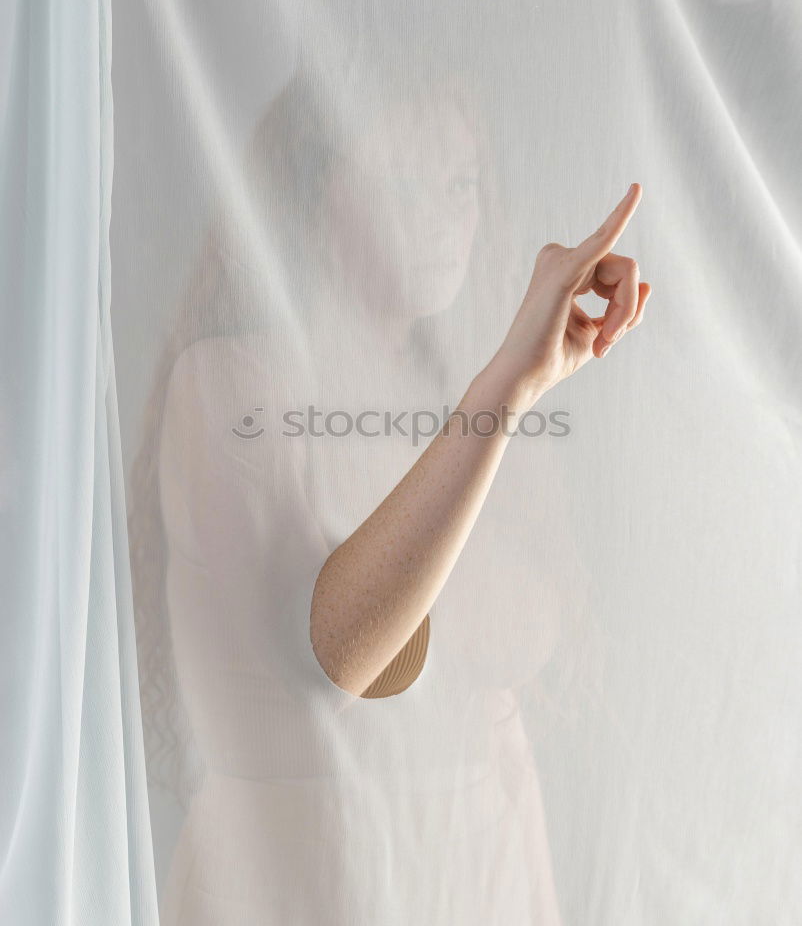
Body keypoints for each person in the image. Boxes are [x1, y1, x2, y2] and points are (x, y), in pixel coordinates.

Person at [129, 55, 650, 924]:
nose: (450, 217)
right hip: (304, 887)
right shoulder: (235, 389)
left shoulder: (458, 404)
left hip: (472, 882)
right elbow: (338, 658)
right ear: (314, 194)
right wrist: (509, 386)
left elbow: (503, 733)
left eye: (462, 182)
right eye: (408, 182)